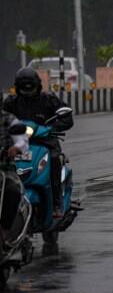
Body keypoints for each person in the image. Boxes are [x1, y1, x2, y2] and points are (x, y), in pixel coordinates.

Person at [3, 67, 73, 218]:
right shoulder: (10, 102)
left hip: (45, 141)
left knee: (54, 160)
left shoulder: (49, 99)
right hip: (17, 143)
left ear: (38, 86)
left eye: (31, 88)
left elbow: (67, 117)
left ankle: (56, 203)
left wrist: (51, 128)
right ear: (17, 88)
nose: (28, 92)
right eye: (24, 89)